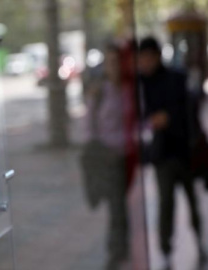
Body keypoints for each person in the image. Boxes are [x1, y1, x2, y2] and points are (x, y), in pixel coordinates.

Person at [138, 36, 207, 268]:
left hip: (183, 151)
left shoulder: (176, 79)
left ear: (157, 56)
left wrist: (169, 117)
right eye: (142, 59)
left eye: (148, 58)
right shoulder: (141, 85)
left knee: (192, 202)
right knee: (165, 205)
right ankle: (166, 252)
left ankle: (200, 244)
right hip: (162, 156)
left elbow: (191, 109)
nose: (145, 63)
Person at [84, 41, 137, 269]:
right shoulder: (99, 92)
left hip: (129, 157)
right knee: (117, 207)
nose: (113, 67)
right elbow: (88, 127)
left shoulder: (129, 89)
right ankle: (116, 251)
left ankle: (123, 247)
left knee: (122, 205)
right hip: (108, 158)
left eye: (117, 62)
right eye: (110, 62)